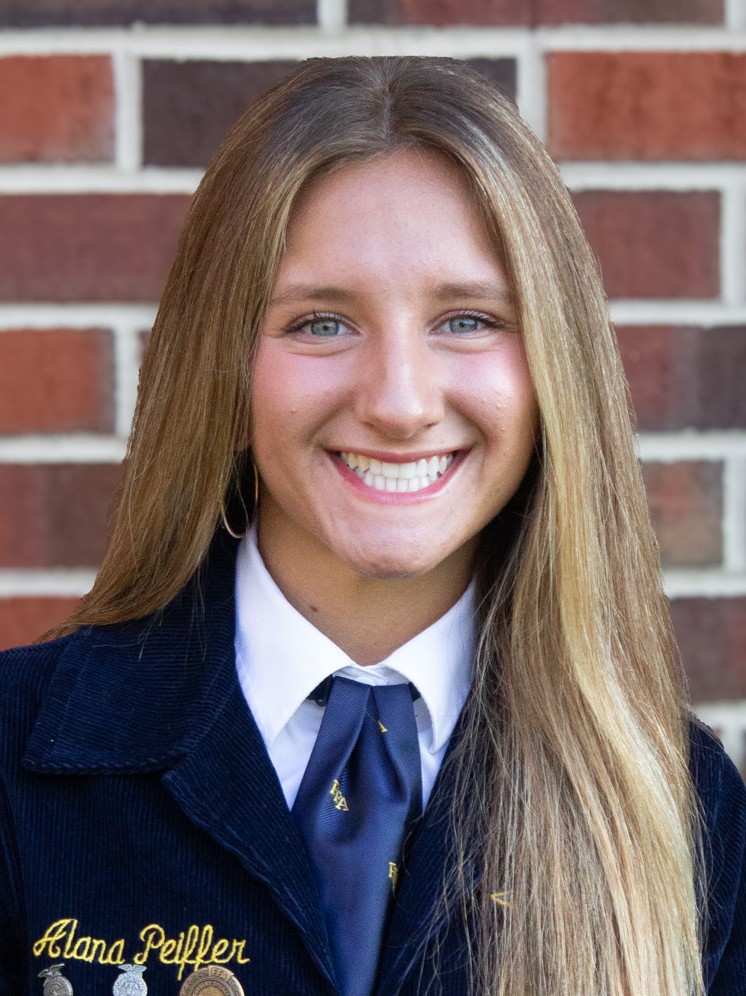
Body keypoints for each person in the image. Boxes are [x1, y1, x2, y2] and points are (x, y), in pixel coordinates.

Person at [0, 56, 744, 996]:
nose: (398, 402)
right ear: (223, 370)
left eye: (468, 320)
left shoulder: (683, 806)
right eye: (320, 324)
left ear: (556, 370)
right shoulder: (14, 762)